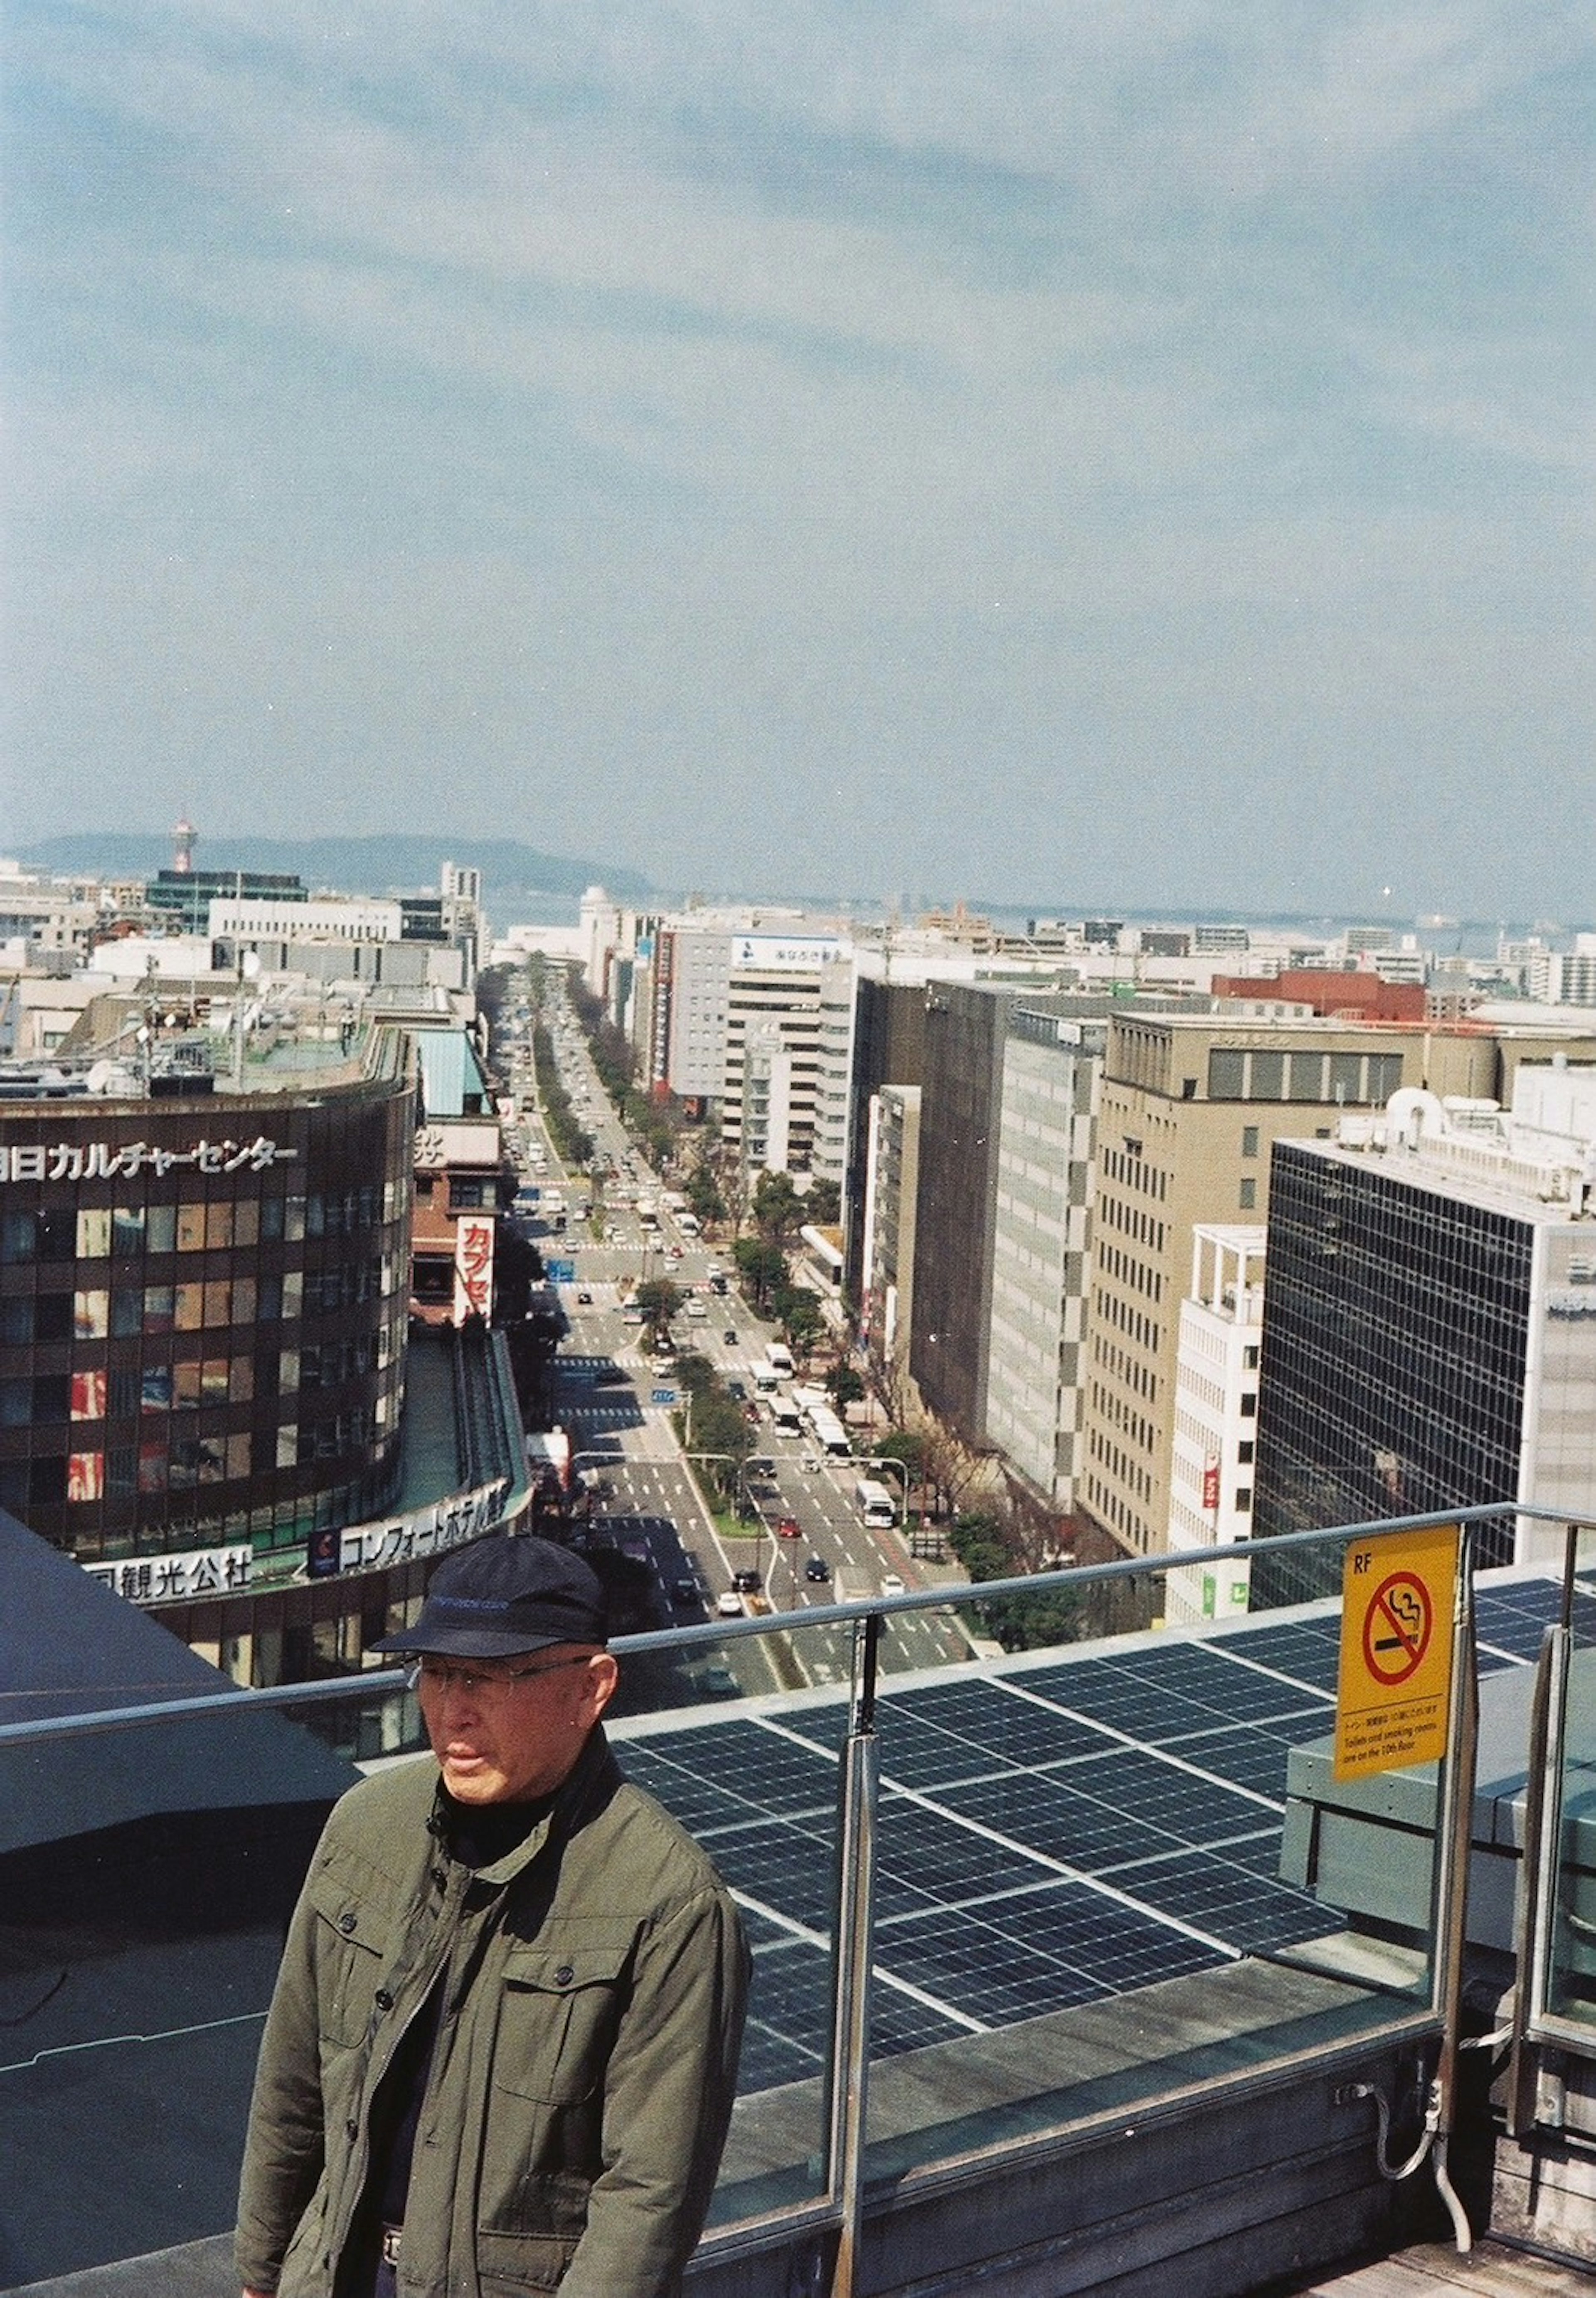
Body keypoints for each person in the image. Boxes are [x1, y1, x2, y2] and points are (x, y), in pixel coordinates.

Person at [236, 1533, 749, 2298]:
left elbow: (648, 2195)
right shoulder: (365, 1825)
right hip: (334, 2271)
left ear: (592, 1688)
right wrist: (262, 2269)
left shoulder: (669, 1905)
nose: (453, 1710)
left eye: (489, 1677)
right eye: (437, 1673)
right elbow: (294, 2076)